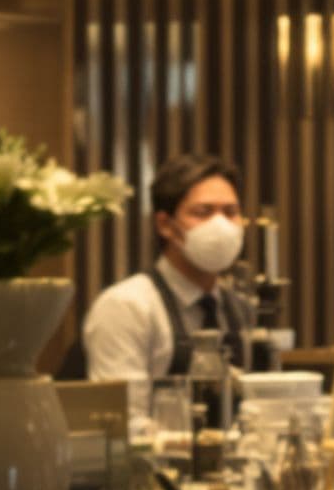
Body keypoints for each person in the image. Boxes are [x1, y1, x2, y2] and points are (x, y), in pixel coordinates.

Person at [81, 152, 252, 427]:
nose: (221, 225)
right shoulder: (126, 307)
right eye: (203, 212)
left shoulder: (239, 309)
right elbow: (123, 424)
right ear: (165, 224)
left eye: (231, 212)